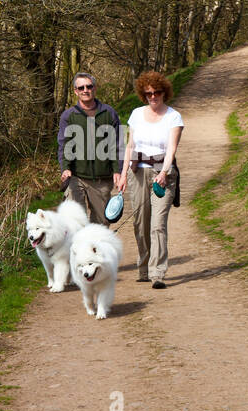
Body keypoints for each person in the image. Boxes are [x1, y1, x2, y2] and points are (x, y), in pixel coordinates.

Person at [117, 70, 183, 288]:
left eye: (157, 92)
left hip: (163, 174)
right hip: (137, 173)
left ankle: (158, 273)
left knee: (158, 225)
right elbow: (130, 146)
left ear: (165, 93)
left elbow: (172, 148)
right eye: (148, 94)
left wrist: (164, 172)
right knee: (140, 223)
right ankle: (143, 268)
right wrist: (124, 173)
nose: (153, 97)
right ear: (143, 95)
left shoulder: (174, 117)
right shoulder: (136, 114)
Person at [57, 72, 122, 226]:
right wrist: (65, 168)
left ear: (95, 88)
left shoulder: (109, 113)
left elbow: (118, 144)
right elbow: (64, 145)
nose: (85, 90)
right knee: (74, 223)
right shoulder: (68, 115)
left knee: (100, 225)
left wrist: (118, 170)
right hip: (76, 177)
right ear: (75, 91)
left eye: (89, 86)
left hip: (101, 179)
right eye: (81, 87)